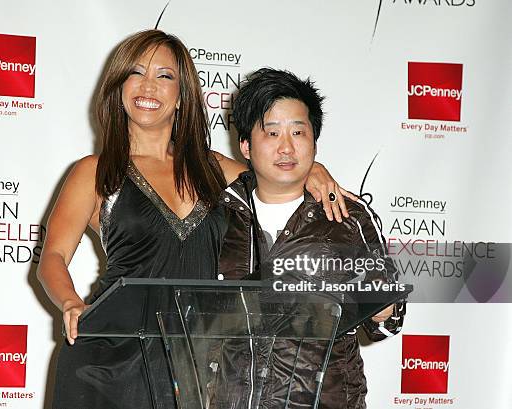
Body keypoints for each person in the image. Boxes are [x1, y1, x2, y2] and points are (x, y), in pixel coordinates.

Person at [37, 30, 353, 409]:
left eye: (165, 76)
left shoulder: (215, 169)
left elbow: (277, 176)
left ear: (182, 95)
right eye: (136, 73)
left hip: (198, 364)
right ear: (118, 87)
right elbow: (52, 257)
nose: (148, 86)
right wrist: (71, 303)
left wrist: (312, 168)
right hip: (109, 359)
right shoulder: (95, 171)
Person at [218, 68, 406, 408]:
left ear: (315, 141)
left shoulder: (347, 217)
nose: (286, 147)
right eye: (271, 133)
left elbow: (387, 320)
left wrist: (380, 303)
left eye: (298, 132)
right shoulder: (219, 216)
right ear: (245, 145)